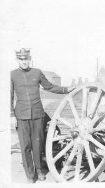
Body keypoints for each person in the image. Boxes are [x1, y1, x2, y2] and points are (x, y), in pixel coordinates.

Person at [10, 48, 75, 183]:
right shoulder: (12, 75)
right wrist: (11, 115)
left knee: (38, 144)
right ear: (17, 60)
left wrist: (65, 89)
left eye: (26, 59)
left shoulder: (37, 72)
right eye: (21, 59)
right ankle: (30, 175)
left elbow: (49, 87)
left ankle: (39, 171)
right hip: (21, 116)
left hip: (38, 115)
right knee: (25, 146)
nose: (24, 62)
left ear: (30, 59)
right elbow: (9, 96)